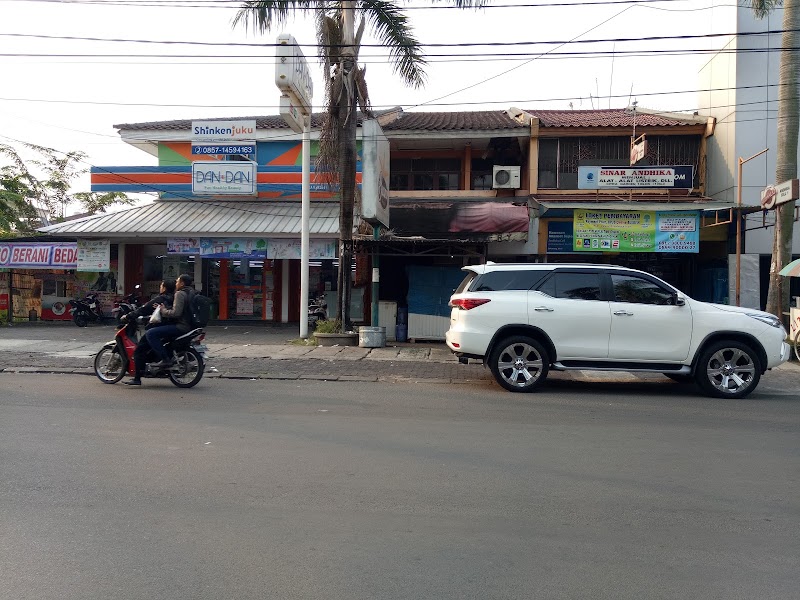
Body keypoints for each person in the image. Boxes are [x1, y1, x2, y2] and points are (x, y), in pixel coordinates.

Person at [123, 280, 176, 386]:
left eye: (161, 285)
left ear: (164, 288)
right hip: (171, 327)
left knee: (139, 350)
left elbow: (143, 309)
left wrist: (128, 316)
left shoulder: (160, 299)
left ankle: (137, 378)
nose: (160, 287)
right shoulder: (175, 298)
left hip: (158, 328)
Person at [143, 274, 195, 370]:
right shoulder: (192, 292)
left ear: (182, 283)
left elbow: (176, 313)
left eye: (178, 281)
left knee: (151, 333)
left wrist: (163, 310)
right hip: (191, 325)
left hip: (181, 326)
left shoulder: (179, 294)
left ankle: (165, 359)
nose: (176, 283)